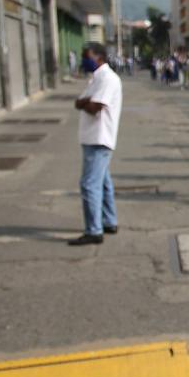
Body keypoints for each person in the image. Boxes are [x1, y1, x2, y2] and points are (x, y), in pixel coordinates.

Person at [69, 43, 123, 246]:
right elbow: (80, 102)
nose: (84, 60)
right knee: (103, 182)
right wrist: (84, 102)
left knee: (89, 184)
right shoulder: (97, 78)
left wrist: (84, 102)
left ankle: (94, 230)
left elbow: (94, 107)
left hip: (99, 138)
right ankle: (109, 221)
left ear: (99, 57)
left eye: (87, 56)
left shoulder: (107, 79)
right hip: (93, 137)